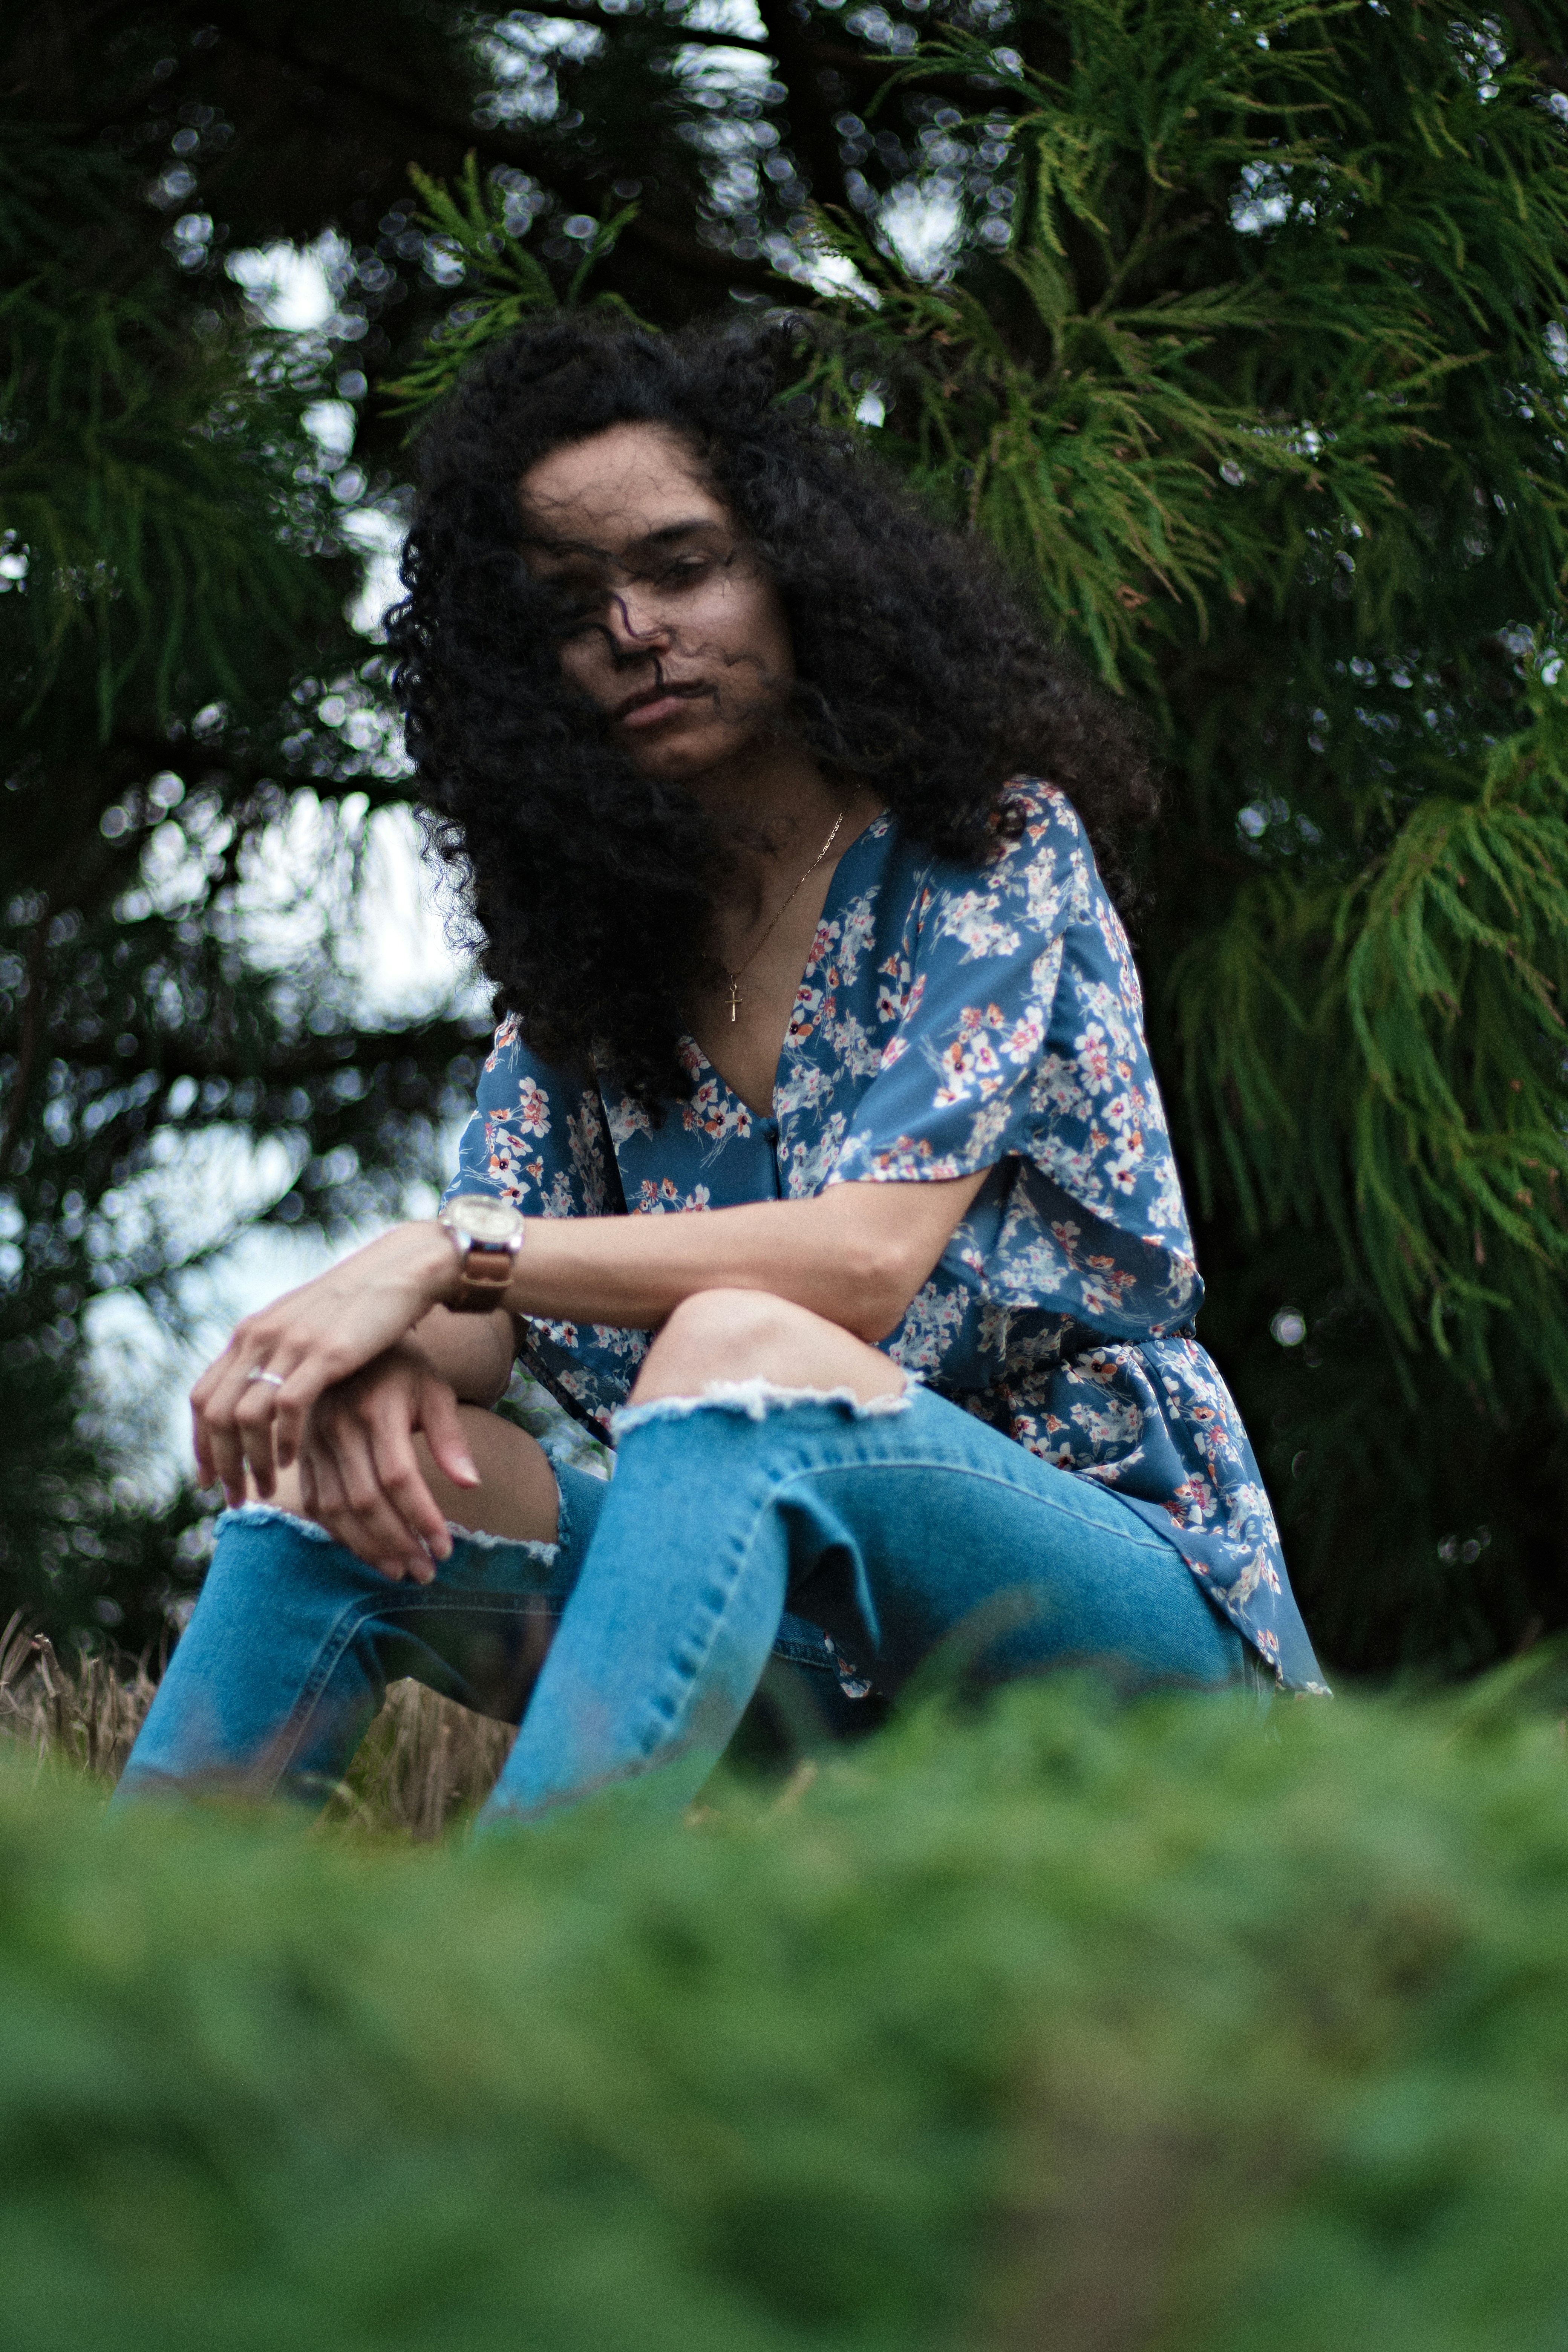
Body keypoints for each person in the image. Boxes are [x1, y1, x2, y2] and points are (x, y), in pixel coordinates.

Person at [119, 320, 1326, 1825]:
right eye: (571, 609)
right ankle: (114, 1999)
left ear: (794, 566)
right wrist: (354, 1372)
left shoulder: (984, 854)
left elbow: (863, 1262)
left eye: (680, 565)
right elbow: (478, 1343)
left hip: (1105, 1612)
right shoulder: (588, 982)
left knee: (737, 1346)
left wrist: (437, 1258)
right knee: (353, 1477)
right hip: (800, 1656)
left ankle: (508, 1996)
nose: (632, 629)